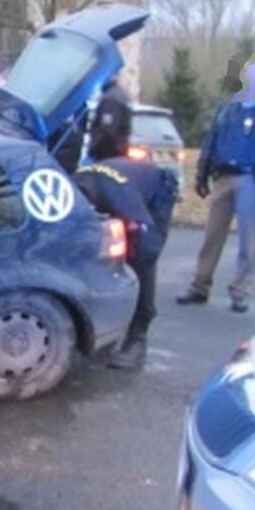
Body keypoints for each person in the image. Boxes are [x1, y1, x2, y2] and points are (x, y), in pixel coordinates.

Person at [175, 59, 255, 313]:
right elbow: (211, 140)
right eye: (250, 76)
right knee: (211, 235)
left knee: (247, 239)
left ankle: (240, 291)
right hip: (224, 177)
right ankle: (199, 286)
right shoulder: (228, 108)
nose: (254, 82)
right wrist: (201, 173)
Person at [74, 158, 179, 368]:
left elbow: (149, 245)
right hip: (122, 182)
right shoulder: (72, 184)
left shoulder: (122, 198)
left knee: (142, 258)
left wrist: (132, 252)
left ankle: (138, 334)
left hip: (157, 190)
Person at [87, 76, 133, 160]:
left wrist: (94, 148)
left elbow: (107, 130)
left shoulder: (110, 99)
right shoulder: (121, 95)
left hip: (108, 154)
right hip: (119, 152)